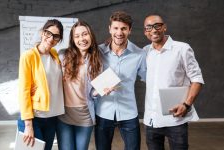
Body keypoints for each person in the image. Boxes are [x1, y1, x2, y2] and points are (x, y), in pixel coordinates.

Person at [143, 14, 204, 150]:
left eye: (157, 25)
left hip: (176, 119)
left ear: (164, 27)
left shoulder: (182, 49)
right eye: (149, 27)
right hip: (152, 120)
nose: (153, 30)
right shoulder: (145, 52)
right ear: (145, 32)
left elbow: (197, 79)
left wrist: (186, 104)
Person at [94, 11, 147, 150]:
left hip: (128, 111)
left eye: (123, 28)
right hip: (103, 111)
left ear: (129, 30)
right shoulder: (98, 52)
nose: (119, 32)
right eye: (116, 28)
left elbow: (149, 78)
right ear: (109, 29)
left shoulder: (139, 54)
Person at [17, 19, 65, 150]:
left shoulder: (55, 55)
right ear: (42, 33)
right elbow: (24, 90)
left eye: (56, 36)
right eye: (48, 33)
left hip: (52, 118)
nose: (51, 39)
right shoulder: (28, 56)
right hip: (33, 117)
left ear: (59, 40)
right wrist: (28, 125)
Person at [56, 20, 102, 150]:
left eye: (85, 34)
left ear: (91, 35)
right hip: (64, 114)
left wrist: (98, 92)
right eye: (77, 36)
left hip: (85, 115)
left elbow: (93, 92)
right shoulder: (62, 56)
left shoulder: (97, 61)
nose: (81, 39)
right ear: (73, 39)